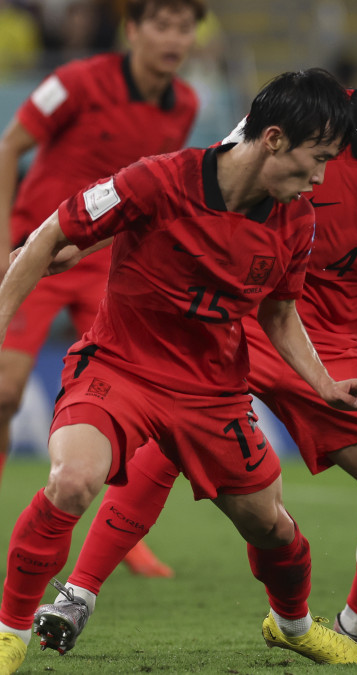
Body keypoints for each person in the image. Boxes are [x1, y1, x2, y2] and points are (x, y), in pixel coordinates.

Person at [30, 7, 357, 657]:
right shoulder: (306, 119)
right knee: (175, 429)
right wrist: (76, 247)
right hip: (239, 312)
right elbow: (211, 182)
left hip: (330, 346)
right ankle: (79, 591)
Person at [0, 68, 357, 674]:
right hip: (121, 368)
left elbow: (281, 315)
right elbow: (52, 233)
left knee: (273, 529)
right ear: (275, 139)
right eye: (317, 159)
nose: (320, 177)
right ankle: (9, 633)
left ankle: (293, 625)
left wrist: (326, 386)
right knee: (71, 481)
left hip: (213, 395)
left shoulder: (297, 220)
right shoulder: (158, 178)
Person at [0, 0, 208, 578]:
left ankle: (118, 533)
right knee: (5, 392)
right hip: (37, 253)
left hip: (114, 267)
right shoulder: (74, 82)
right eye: (160, 25)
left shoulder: (186, 105)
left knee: (136, 394)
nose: (172, 38)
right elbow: (8, 146)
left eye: (183, 27)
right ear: (133, 29)